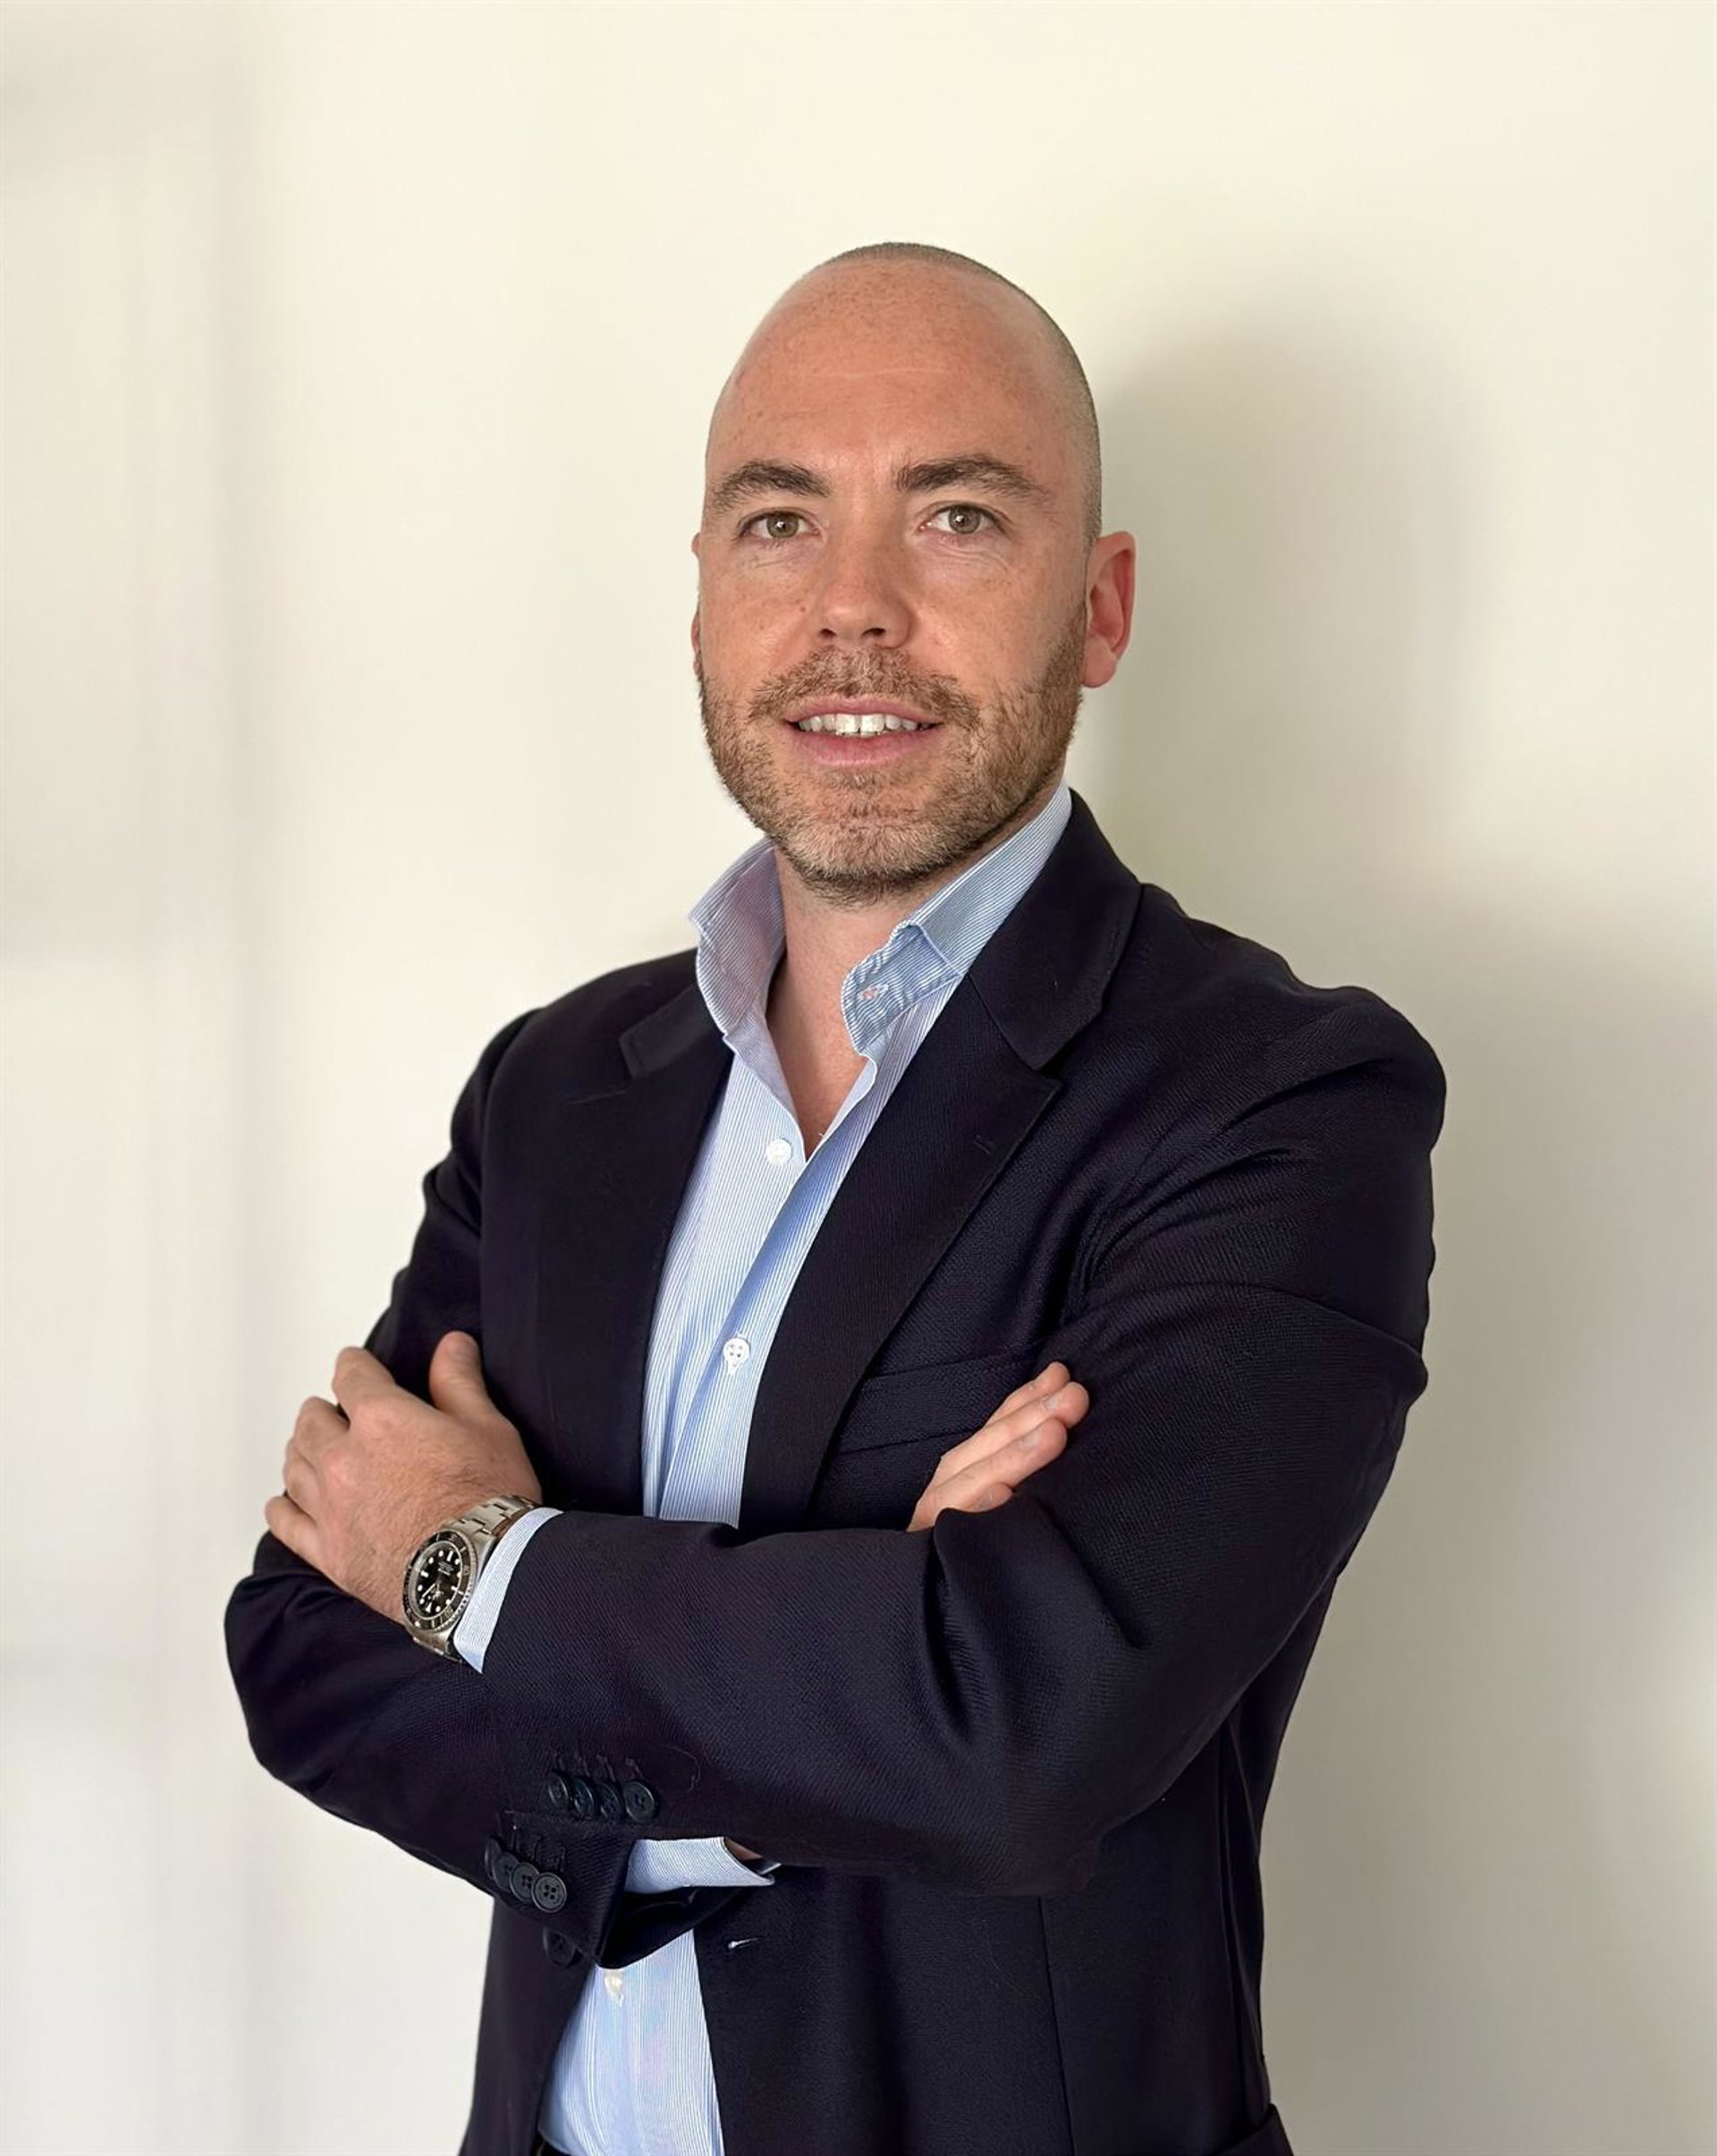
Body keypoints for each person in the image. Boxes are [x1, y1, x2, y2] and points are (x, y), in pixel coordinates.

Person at [224, 240, 1446, 2156]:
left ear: (1101, 605)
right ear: (705, 602)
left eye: (958, 516)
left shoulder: (1276, 1100)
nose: (853, 606)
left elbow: (1019, 1740)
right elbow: (304, 1650)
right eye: (780, 522)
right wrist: (855, 1669)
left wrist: (469, 1565)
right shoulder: (557, 1094)